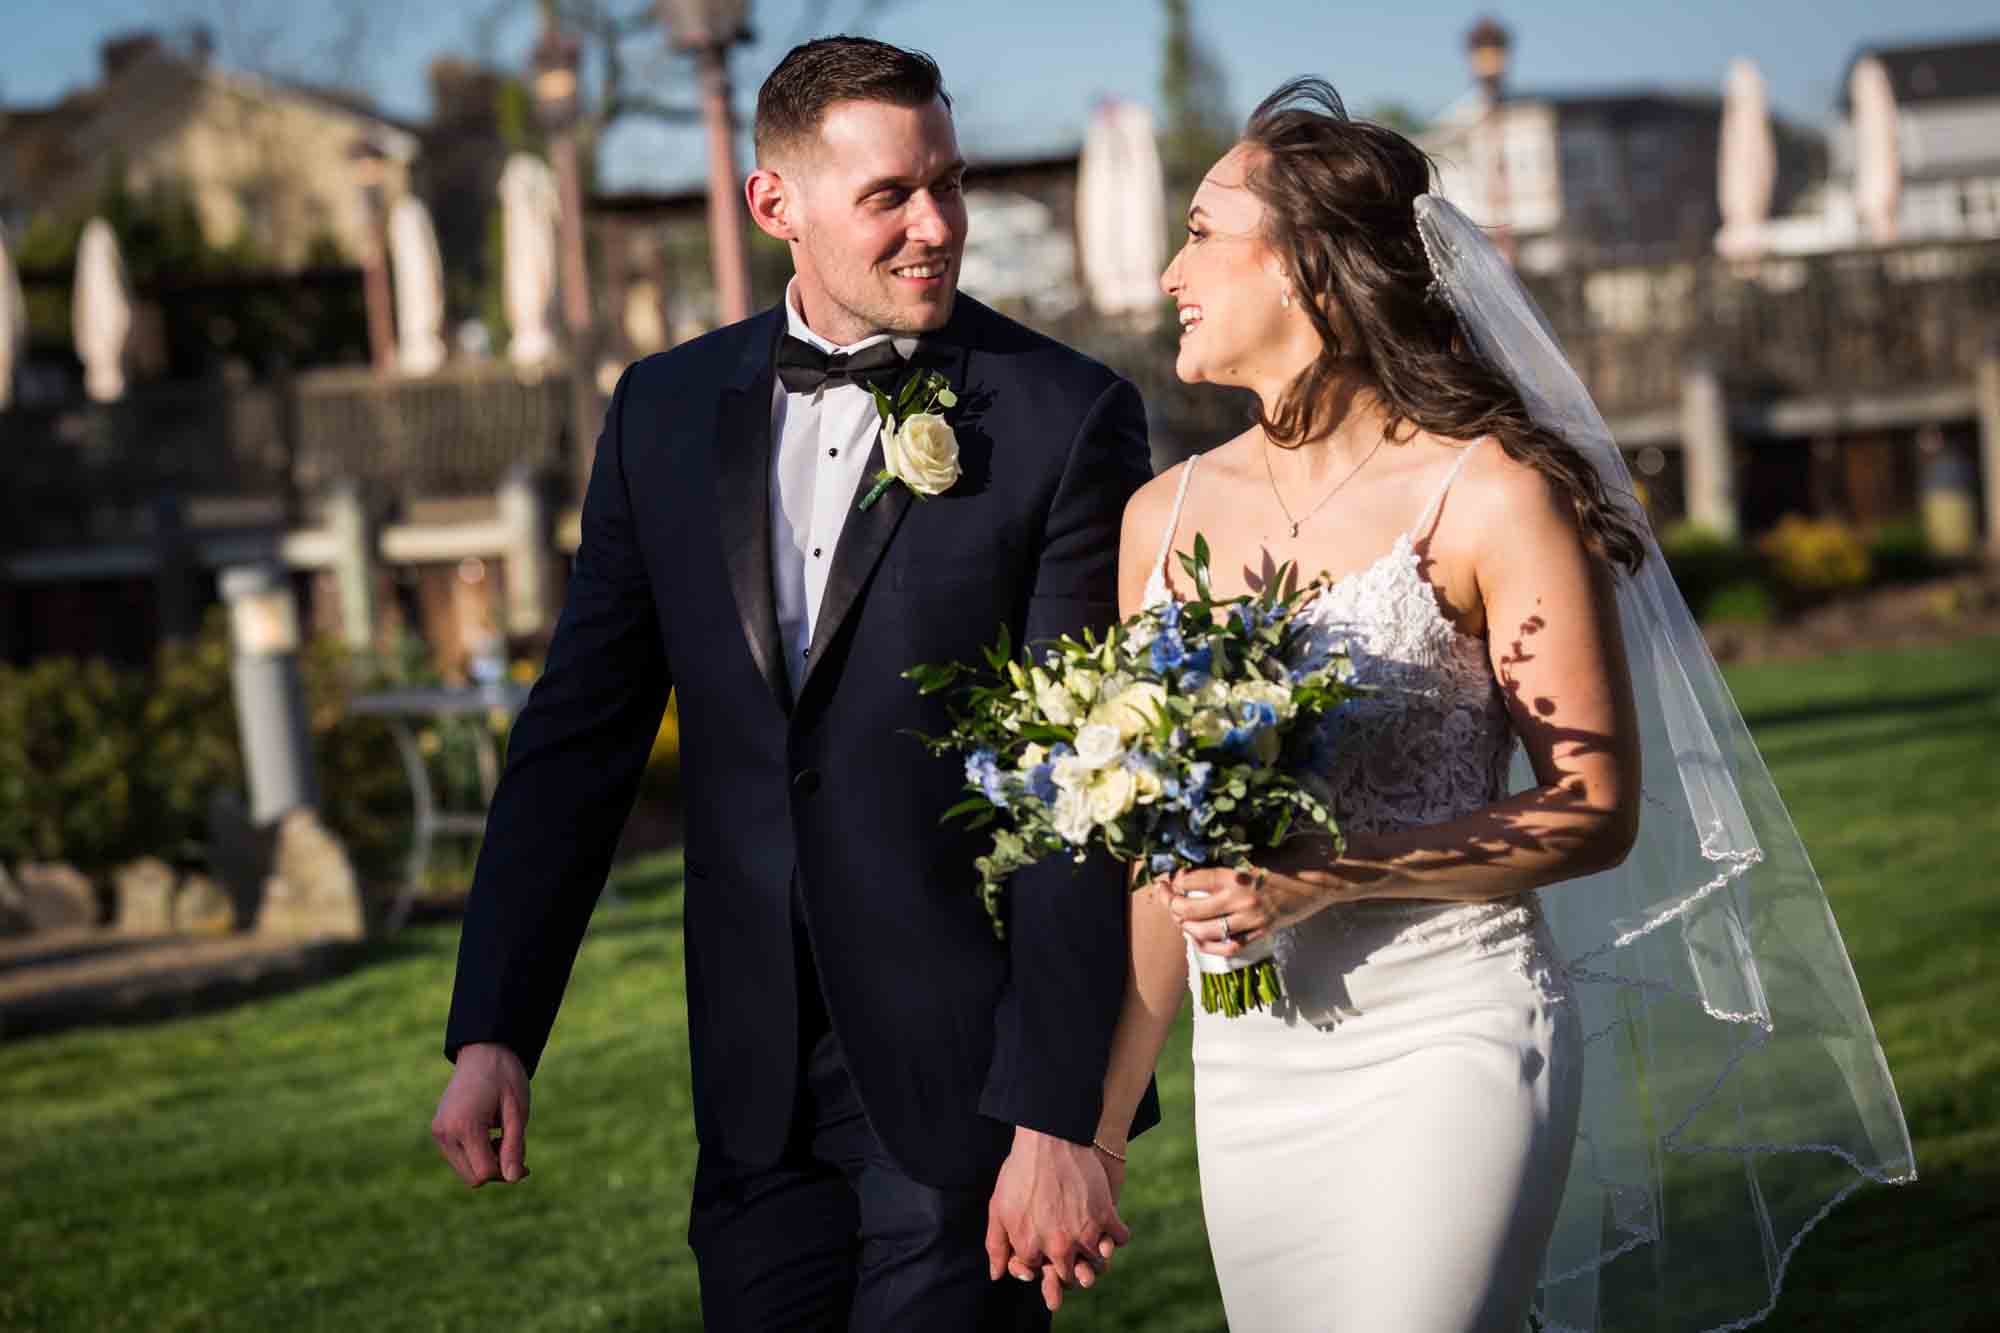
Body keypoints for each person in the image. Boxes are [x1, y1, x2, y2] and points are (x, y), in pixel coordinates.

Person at [1067, 79, 1913, 1332]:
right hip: (1251, 1068)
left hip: (1445, 1038)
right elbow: (1156, 864)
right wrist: (1094, 1132)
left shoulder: (1488, 495)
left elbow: (1593, 812)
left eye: (1198, 230)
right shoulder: (1163, 514)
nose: (1164, 270)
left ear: (1301, 266)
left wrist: (1327, 875)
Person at [429, 37, 1155, 1331]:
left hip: (968, 1086)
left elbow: (1081, 797)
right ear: (778, 208)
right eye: (891, 195)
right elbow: (581, 736)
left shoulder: (1064, 417)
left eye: (949, 183)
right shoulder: (659, 409)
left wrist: (1062, 1111)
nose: (939, 226)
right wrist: (495, 1024)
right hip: (754, 1093)